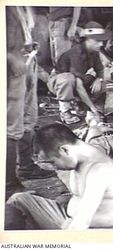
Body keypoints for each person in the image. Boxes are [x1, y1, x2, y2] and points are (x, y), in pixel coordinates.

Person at [6, 123, 113, 230]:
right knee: (19, 199)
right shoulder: (84, 154)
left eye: (53, 162)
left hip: (92, 231)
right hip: (69, 219)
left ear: (65, 150)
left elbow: (81, 224)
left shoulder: (99, 171)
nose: (55, 168)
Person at [6, 6, 55, 199]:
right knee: (11, 127)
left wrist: (27, 47)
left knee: (29, 118)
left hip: (26, 61)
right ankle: (8, 184)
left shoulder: (19, 7)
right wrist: (10, 57)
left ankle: (25, 166)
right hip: (11, 68)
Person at [47, 21, 108, 124]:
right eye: (98, 41)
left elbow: (100, 70)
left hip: (75, 80)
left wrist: (99, 79)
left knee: (102, 85)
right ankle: (65, 111)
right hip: (58, 82)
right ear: (88, 40)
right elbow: (78, 85)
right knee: (69, 78)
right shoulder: (76, 53)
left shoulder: (94, 52)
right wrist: (94, 109)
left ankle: (78, 103)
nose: (101, 44)